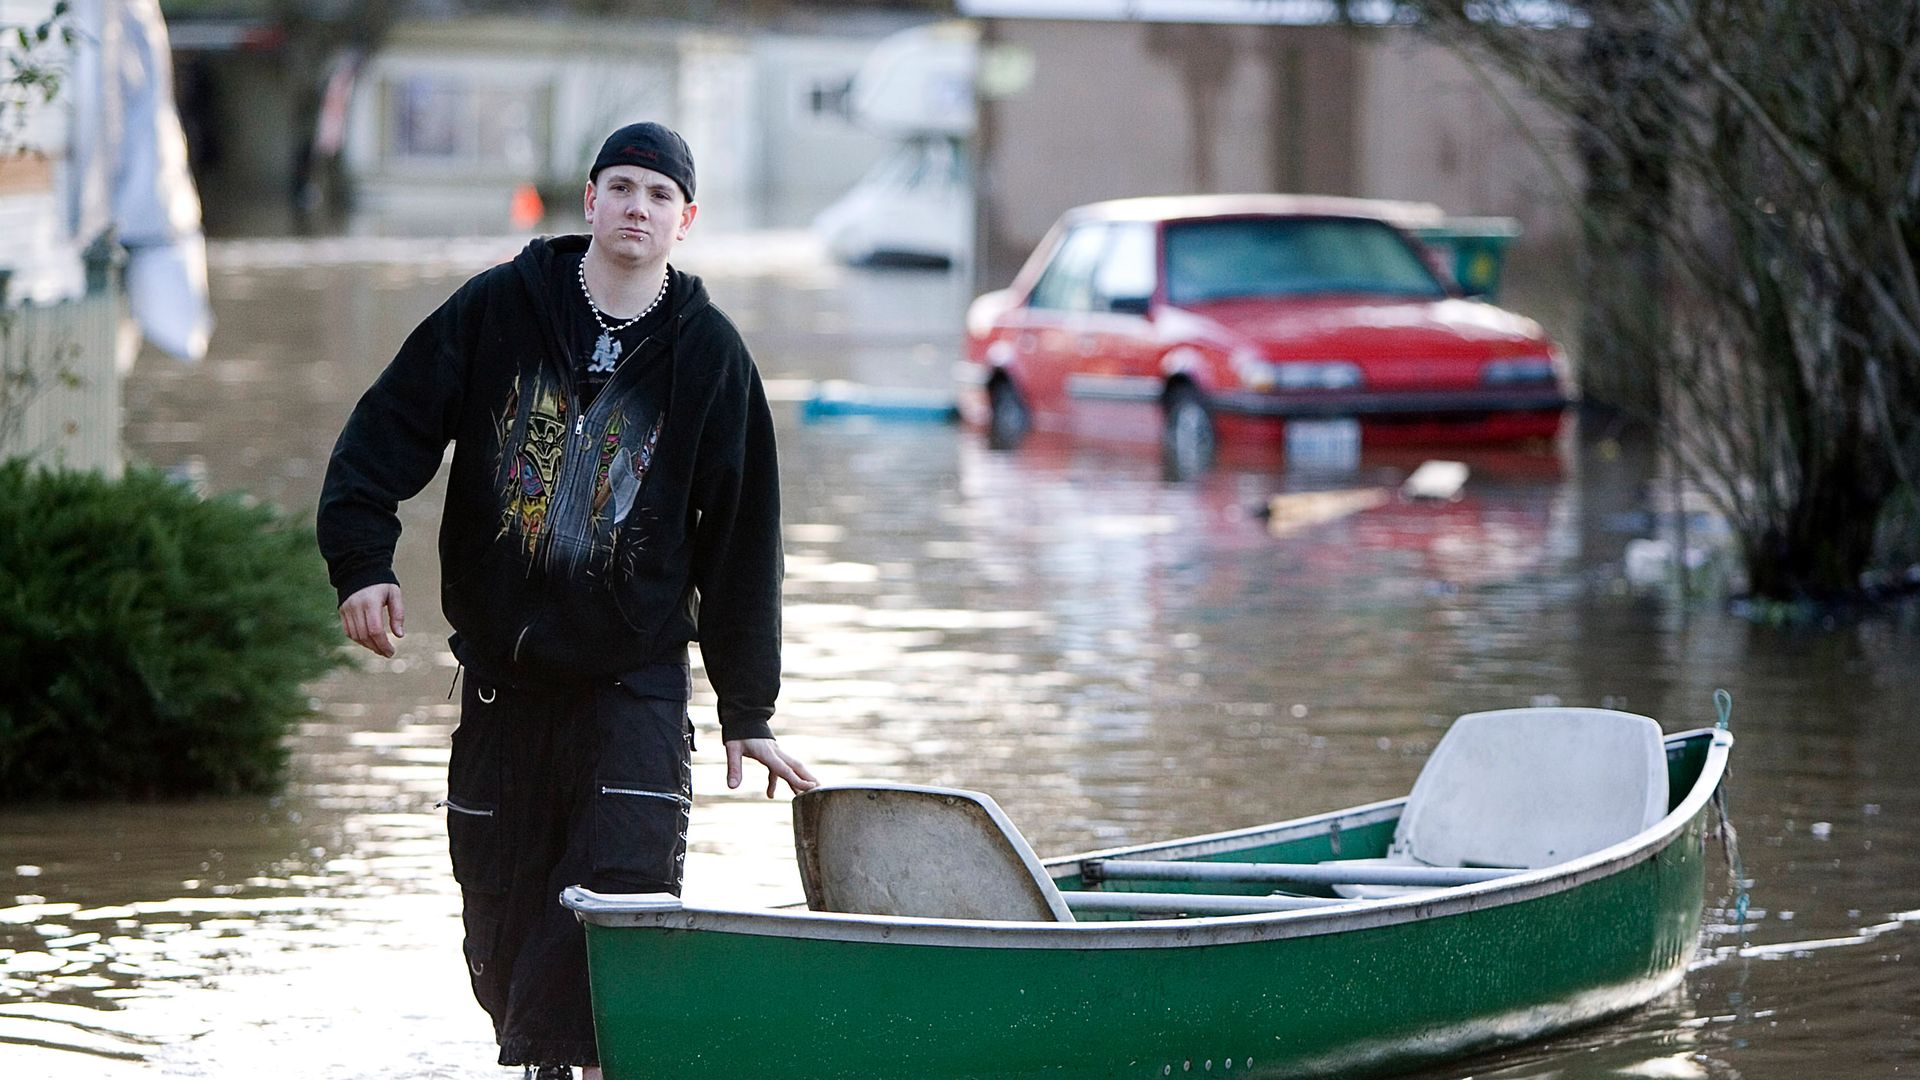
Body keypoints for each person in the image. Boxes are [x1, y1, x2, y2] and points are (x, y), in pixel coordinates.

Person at [316, 122, 816, 1080]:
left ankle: (600, 1066)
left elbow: (745, 541)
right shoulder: (499, 310)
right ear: (589, 201)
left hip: (632, 683)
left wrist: (747, 709)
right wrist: (362, 563)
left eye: (659, 195)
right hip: (505, 679)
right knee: (502, 919)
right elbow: (383, 434)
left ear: (685, 220)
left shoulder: (710, 355)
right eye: (621, 187)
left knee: (620, 909)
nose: (637, 206)